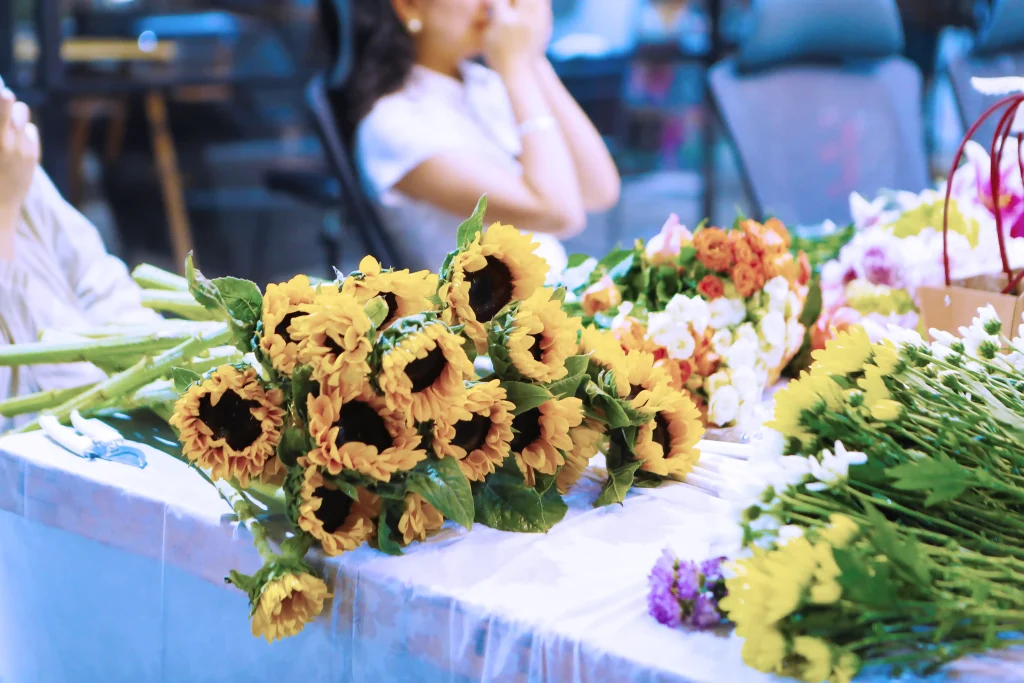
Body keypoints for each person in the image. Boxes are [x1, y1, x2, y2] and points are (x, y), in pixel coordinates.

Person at [320, 0, 621, 276]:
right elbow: (560, 215)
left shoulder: (483, 84)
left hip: (554, 300)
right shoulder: (394, 122)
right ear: (409, 6)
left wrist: (531, 57)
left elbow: (599, 190)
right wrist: (516, 67)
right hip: (497, 329)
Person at [0, 81, 160, 432]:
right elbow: (16, 420)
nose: (9, 99)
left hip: (112, 444)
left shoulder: (10, 151)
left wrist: (166, 380)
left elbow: (101, 285)